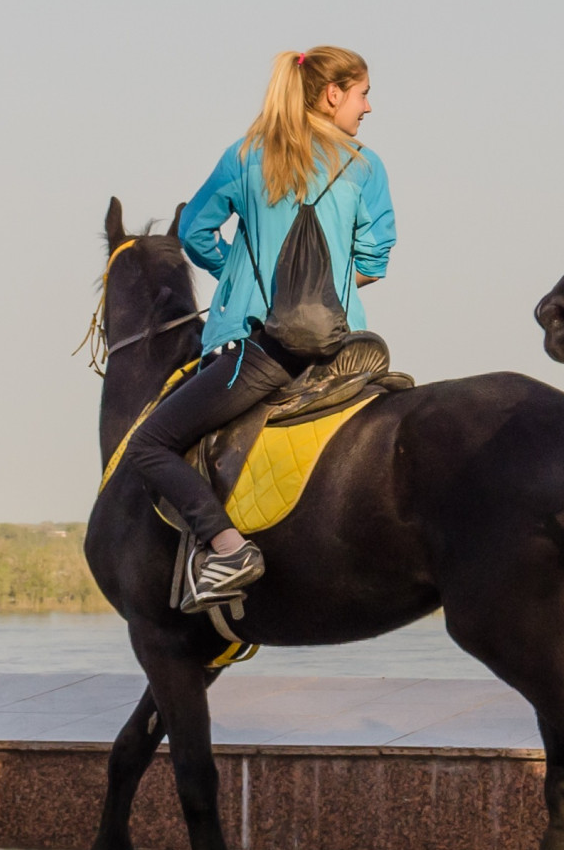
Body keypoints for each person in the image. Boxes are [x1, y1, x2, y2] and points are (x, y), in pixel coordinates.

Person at [123, 46, 395, 613]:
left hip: (263, 350)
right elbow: (375, 257)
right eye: (363, 92)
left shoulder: (246, 156)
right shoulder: (364, 165)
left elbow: (197, 232)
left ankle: (226, 549)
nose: (369, 106)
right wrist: (324, 285)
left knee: (149, 442)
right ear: (332, 94)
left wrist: (239, 278)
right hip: (345, 349)